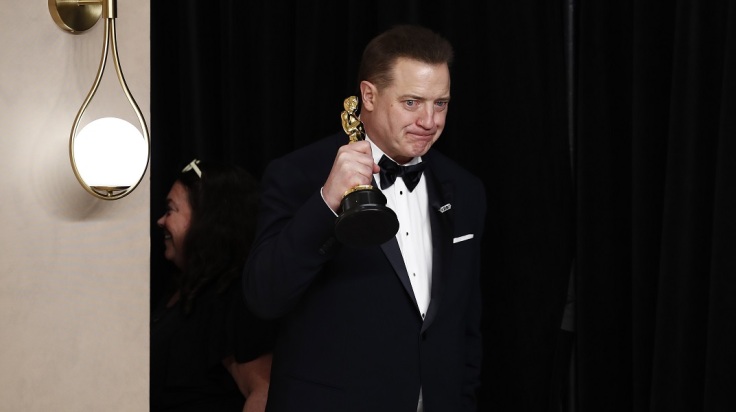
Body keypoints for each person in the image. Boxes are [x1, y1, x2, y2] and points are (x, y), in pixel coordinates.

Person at [243, 24, 486, 411]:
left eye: (440, 103)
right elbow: (264, 297)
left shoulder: (465, 189)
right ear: (368, 96)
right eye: (411, 102)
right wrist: (327, 201)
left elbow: (466, 324)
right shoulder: (299, 174)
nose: (429, 120)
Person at [151, 159, 276, 412]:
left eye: (171, 210)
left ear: (206, 218)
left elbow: (263, 393)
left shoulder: (232, 298)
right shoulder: (185, 290)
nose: (161, 221)